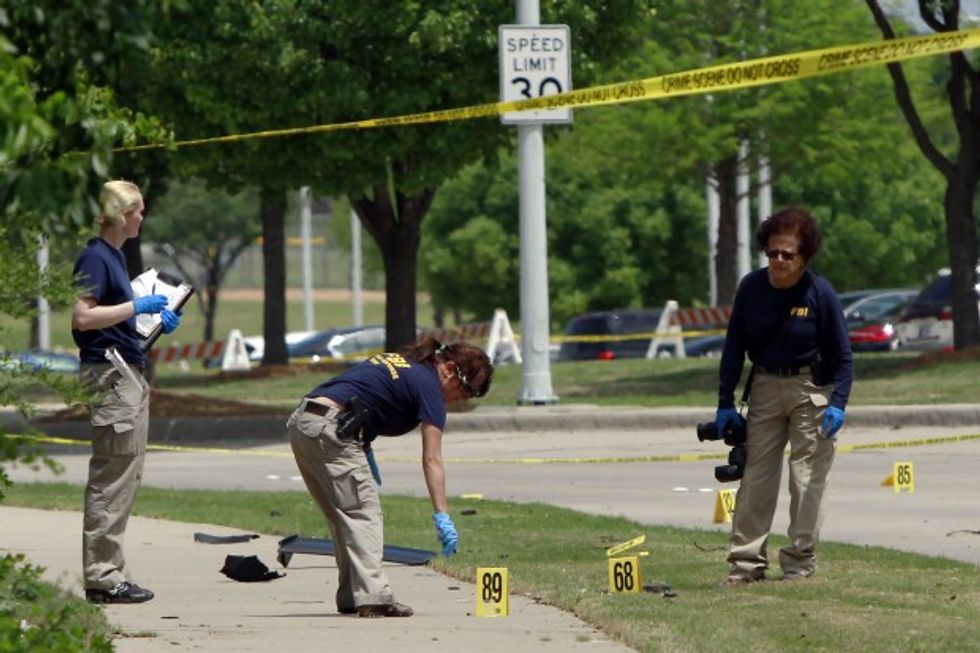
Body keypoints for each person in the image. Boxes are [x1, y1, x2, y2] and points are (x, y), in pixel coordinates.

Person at [287, 336, 493, 618]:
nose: (460, 400)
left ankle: (352, 596)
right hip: (330, 429)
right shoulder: (430, 387)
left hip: (305, 423)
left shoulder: (405, 364)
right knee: (364, 514)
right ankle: (374, 598)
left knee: (344, 518)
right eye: (465, 390)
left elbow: (366, 395)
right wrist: (442, 515)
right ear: (449, 370)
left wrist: (364, 444)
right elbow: (432, 459)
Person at [715, 206, 853, 584]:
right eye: (773, 252)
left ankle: (799, 562)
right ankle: (746, 564)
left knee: (805, 479)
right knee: (756, 478)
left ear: (804, 257)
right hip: (764, 386)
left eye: (787, 254)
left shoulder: (820, 292)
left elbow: (843, 356)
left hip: (811, 390)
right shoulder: (751, 288)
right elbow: (733, 347)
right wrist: (725, 402)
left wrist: (838, 403)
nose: (778, 260)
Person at [72, 180, 181, 604]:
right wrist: (137, 306)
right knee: (112, 478)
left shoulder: (114, 257)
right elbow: (83, 317)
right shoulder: (96, 256)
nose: (142, 218)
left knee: (125, 478)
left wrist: (151, 323)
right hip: (110, 376)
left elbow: (111, 319)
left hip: (126, 372)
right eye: (138, 211)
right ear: (121, 215)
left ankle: (110, 571)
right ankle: (102, 577)